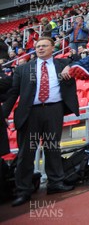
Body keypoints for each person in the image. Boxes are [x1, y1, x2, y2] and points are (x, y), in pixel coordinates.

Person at [2, 37, 78, 207]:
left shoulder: (62, 63)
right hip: (30, 113)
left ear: (53, 48)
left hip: (54, 110)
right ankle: (23, 190)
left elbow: (81, 58)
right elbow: (13, 92)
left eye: (44, 46)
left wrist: (70, 64)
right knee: (26, 152)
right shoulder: (23, 68)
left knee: (52, 147)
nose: (40, 48)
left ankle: (55, 183)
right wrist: (3, 114)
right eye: (38, 46)